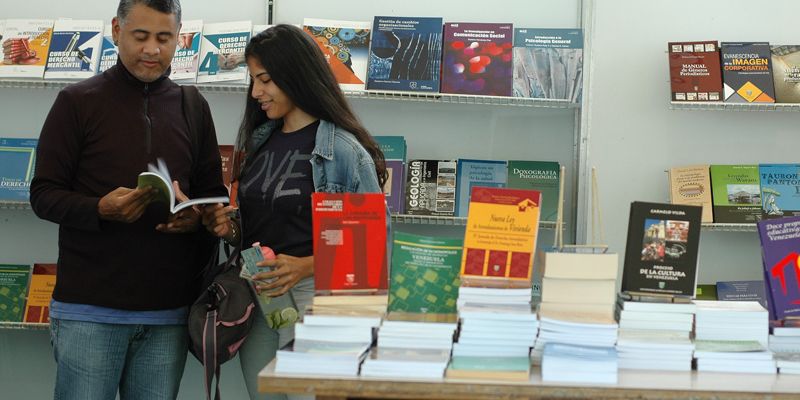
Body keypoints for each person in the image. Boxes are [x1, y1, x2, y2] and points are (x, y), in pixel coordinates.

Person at [29, 1, 226, 399]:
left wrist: (196, 217)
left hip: (168, 313)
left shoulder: (193, 107)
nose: (152, 50)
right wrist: (99, 208)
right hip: (89, 311)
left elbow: (215, 194)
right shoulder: (77, 102)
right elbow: (43, 194)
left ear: (179, 39)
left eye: (164, 38)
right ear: (117, 31)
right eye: (140, 36)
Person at [200, 24, 388, 400]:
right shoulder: (261, 140)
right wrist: (230, 229)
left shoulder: (344, 152)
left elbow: (371, 251)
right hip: (258, 294)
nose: (256, 93)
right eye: (253, 81)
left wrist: (305, 265)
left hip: (316, 298)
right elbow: (266, 223)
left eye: (265, 80)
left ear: (295, 75)